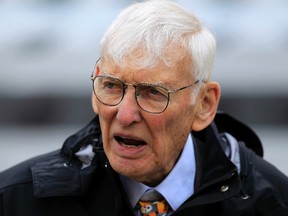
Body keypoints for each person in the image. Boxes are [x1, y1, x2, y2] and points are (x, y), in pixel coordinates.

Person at [0, 0, 287, 215]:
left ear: (204, 105)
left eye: (153, 93)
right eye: (111, 86)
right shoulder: (16, 200)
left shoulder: (273, 202)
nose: (124, 115)